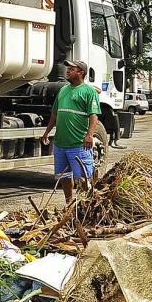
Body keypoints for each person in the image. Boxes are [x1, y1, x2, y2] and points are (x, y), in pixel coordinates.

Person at [41, 59, 101, 203]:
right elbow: (55, 113)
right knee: (64, 177)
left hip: (79, 144)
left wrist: (89, 135)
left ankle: (85, 206)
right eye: (68, 69)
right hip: (61, 144)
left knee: (83, 178)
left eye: (72, 69)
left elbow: (94, 116)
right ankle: (69, 204)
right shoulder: (63, 90)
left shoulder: (89, 92)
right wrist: (47, 131)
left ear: (81, 73)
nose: (67, 71)